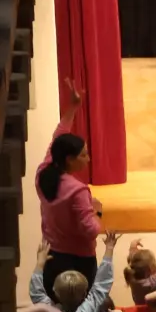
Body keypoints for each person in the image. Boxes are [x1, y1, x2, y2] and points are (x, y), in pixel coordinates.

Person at [34, 86, 100, 297]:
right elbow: (90, 230)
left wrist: (73, 107)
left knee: (55, 307)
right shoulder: (78, 191)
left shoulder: (43, 171)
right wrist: (96, 211)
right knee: (82, 311)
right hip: (79, 261)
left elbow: (58, 136)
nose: (88, 159)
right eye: (83, 155)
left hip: (52, 257)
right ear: (69, 160)